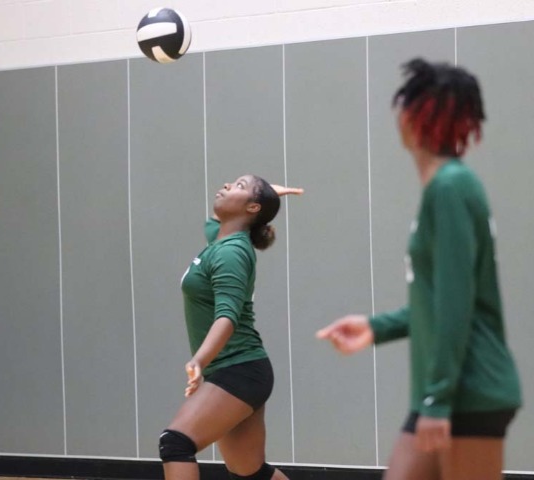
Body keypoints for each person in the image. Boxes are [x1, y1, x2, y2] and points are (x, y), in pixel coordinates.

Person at [316, 58, 521, 480]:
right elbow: (439, 300)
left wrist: (438, 402)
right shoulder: (445, 188)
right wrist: (375, 327)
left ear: (413, 119)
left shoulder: (450, 188)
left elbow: (456, 304)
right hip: (441, 392)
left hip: (468, 391)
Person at [159, 174, 302, 480]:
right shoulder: (222, 241)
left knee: (176, 443)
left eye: (239, 186)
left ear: (252, 208)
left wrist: (199, 360)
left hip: (239, 369)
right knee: (249, 471)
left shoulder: (231, 252)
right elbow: (215, 221)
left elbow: (227, 316)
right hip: (239, 369)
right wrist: (269, 195)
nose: (226, 185)